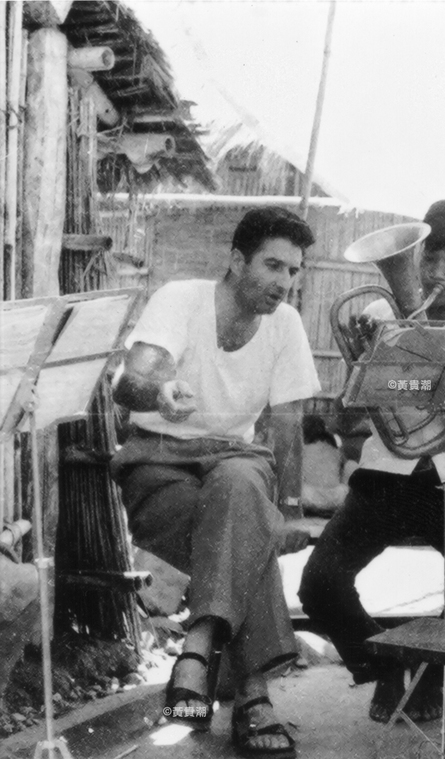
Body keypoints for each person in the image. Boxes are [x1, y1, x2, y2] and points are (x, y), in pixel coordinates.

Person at [111, 207, 320, 759]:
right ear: (236, 260)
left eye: (293, 270)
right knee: (246, 531)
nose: (284, 281)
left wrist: (291, 508)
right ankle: (252, 695)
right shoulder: (181, 299)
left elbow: (288, 423)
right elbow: (129, 382)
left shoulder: (286, 324)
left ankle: (196, 652)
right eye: (273, 265)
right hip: (159, 461)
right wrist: (159, 393)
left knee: (242, 485)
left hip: (235, 461)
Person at [299, 198, 445, 725]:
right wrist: (367, 374)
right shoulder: (379, 315)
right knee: (319, 584)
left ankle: (428, 672)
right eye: (429, 258)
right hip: (385, 475)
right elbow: (351, 417)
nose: (437, 273)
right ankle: (387, 664)